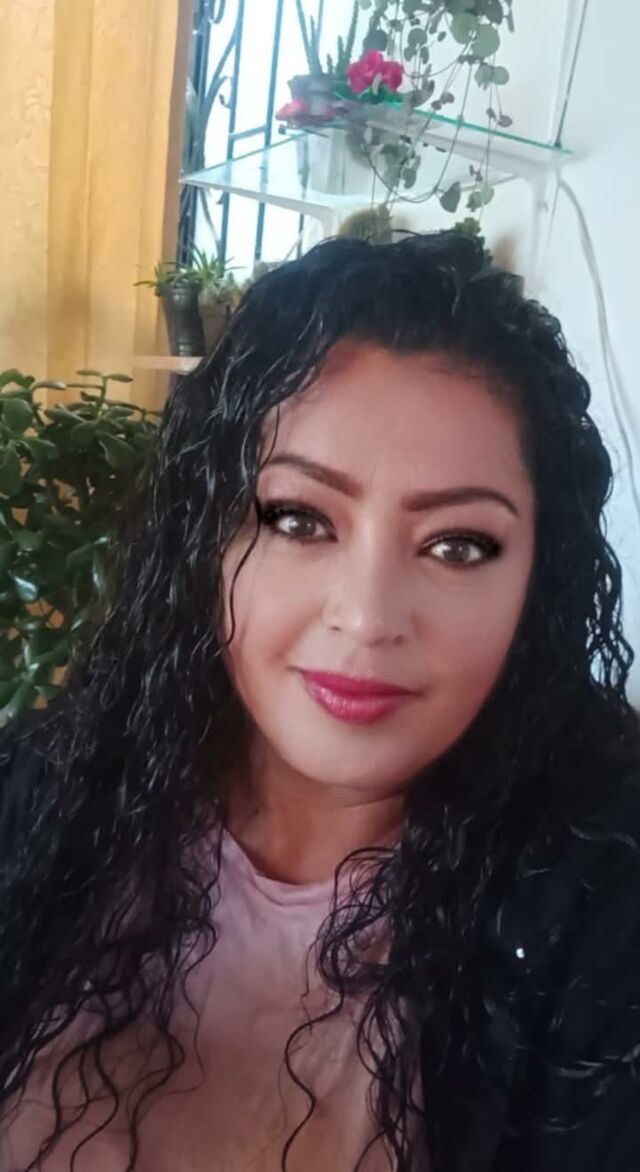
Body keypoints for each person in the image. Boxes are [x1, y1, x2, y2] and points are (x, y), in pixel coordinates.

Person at [0, 231, 639, 1172]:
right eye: (300, 520)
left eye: (458, 545)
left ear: (536, 584)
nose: (368, 618)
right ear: (205, 536)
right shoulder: (44, 795)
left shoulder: (601, 899)